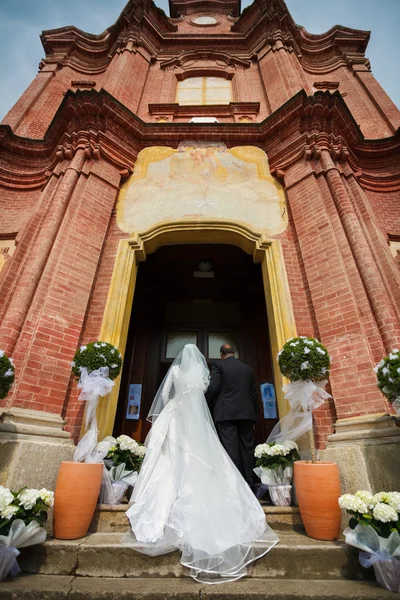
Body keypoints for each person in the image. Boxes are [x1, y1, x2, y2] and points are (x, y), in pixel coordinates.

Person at [123, 344, 278, 584]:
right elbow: (239, 392)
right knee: (228, 452)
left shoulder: (180, 372)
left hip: (184, 415)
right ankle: (246, 482)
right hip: (225, 416)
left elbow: (166, 397)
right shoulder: (230, 369)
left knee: (175, 455)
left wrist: (182, 402)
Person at [205, 343, 258, 489]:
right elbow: (253, 394)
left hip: (226, 413)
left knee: (230, 448)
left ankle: (234, 486)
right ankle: (249, 483)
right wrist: (253, 414)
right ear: (233, 353)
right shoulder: (247, 369)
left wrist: (204, 402)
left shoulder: (218, 365)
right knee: (247, 449)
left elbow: (214, 387)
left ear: (222, 354)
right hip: (246, 414)